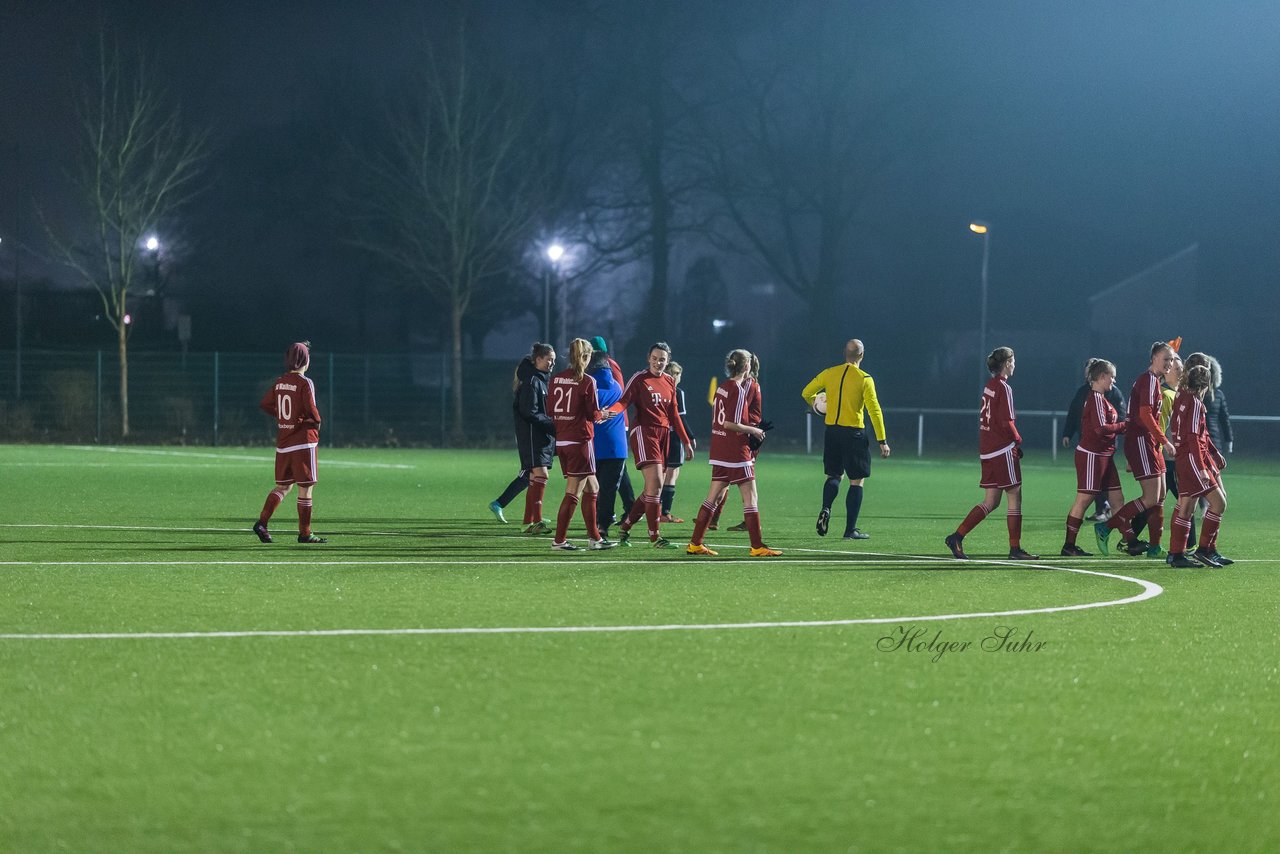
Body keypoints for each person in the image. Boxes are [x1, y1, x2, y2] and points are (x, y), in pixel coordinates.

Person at [944, 347, 1038, 560]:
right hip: (1002, 449)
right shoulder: (1004, 388)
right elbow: (1007, 421)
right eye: (1013, 361)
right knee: (1014, 495)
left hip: (987, 450)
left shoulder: (989, 385)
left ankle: (956, 537)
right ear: (1006, 364)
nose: (1015, 365)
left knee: (991, 501)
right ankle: (1015, 549)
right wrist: (1018, 440)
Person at [686, 349, 781, 557]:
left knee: (713, 497)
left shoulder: (722, 387)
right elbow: (731, 423)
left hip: (719, 449)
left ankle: (695, 543)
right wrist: (754, 430)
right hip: (736, 451)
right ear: (746, 366)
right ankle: (757, 547)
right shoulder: (738, 389)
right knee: (750, 497)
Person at [800, 339, 890, 540]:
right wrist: (882, 440)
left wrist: (817, 406)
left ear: (844, 353)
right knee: (856, 481)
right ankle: (850, 530)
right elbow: (874, 410)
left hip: (832, 431)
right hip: (854, 434)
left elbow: (806, 392)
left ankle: (825, 508)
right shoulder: (865, 378)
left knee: (833, 475)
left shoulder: (829, 373)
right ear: (862, 355)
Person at [608, 342, 695, 548]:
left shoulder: (669, 382)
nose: (658, 362)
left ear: (667, 361)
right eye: (655, 358)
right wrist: (611, 410)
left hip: (664, 434)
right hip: (644, 432)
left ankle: (625, 527)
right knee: (656, 484)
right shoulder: (639, 378)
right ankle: (655, 537)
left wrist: (686, 441)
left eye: (662, 359)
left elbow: (674, 415)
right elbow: (624, 400)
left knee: (651, 490)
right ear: (649, 358)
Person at [1095, 342, 1176, 558]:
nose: (1169, 363)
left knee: (1159, 497)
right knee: (1150, 498)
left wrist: (1158, 442)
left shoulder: (1153, 382)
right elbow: (1145, 415)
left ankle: (1155, 546)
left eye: (1171, 360)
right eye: (1165, 359)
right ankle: (1106, 527)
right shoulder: (1148, 380)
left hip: (1149, 442)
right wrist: (1165, 441)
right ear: (1154, 358)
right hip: (1142, 440)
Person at [253, 341, 327, 544]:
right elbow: (311, 410)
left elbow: (265, 404)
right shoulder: (305, 382)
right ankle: (305, 533)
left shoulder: (280, 381)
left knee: (282, 487)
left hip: (284, 442)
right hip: (303, 442)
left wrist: (283, 418)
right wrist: (317, 422)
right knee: (306, 488)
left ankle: (262, 522)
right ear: (306, 360)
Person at [548, 338, 617, 551]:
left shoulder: (557, 379)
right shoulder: (587, 381)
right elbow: (592, 413)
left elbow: (551, 410)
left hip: (562, 441)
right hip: (580, 441)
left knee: (592, 486)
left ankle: (595, 538)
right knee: (573, 492)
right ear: (586, 357)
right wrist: (604, 414)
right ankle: (559, 540)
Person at [1165, 364, 1232, 568]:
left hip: (1184, 459)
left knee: (1185, 506)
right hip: (1193, 460)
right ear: (1205, 383)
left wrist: (1213, 452)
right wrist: (1202, 467)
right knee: (1219, 503)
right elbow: (1193, 436)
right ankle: (1205, 549)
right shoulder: (1194, 403)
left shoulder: (1181, 396)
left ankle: (1176, 554)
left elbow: (1195, 433)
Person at [1060, 359, 1127, 556]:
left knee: (1117, 499)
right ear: (1102, 377)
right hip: (1092, 455)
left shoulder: (1102, 397)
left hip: (1105, 455)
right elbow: (1100, 429)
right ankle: (1069, 546)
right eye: (1112, 377)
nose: (1113, 381)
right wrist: (1124, 426)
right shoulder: (1096, 398)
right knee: (1084, 499)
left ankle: (1130, 541)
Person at [588, 335, 636, 539]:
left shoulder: (589, 384)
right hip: (617, 435)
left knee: (594, 486)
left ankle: (600, 522)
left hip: (595, 441)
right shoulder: (614, 381)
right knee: (611, 482)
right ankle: (611, 519)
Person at [507, 342, 557, 534]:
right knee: (541, 475)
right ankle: (535, 520)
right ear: (537, 360)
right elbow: (530, 412)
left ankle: (528, 522)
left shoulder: (540, 380)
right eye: (548, 359)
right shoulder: (531, 382)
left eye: (553, 360)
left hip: (540, 436)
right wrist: (553, 426)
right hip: (532, 437)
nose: (552, 363)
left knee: (535, 477)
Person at [658, 360, 688, 523]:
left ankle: (656, 510)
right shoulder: (677, 391)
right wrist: (690, 437)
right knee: (672, 474)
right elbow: (680, 418)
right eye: (677, 373)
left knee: (661, 474)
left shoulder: (660, 389)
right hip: (674, 437)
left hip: (661, 436)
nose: (678, 376)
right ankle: (665, 513)